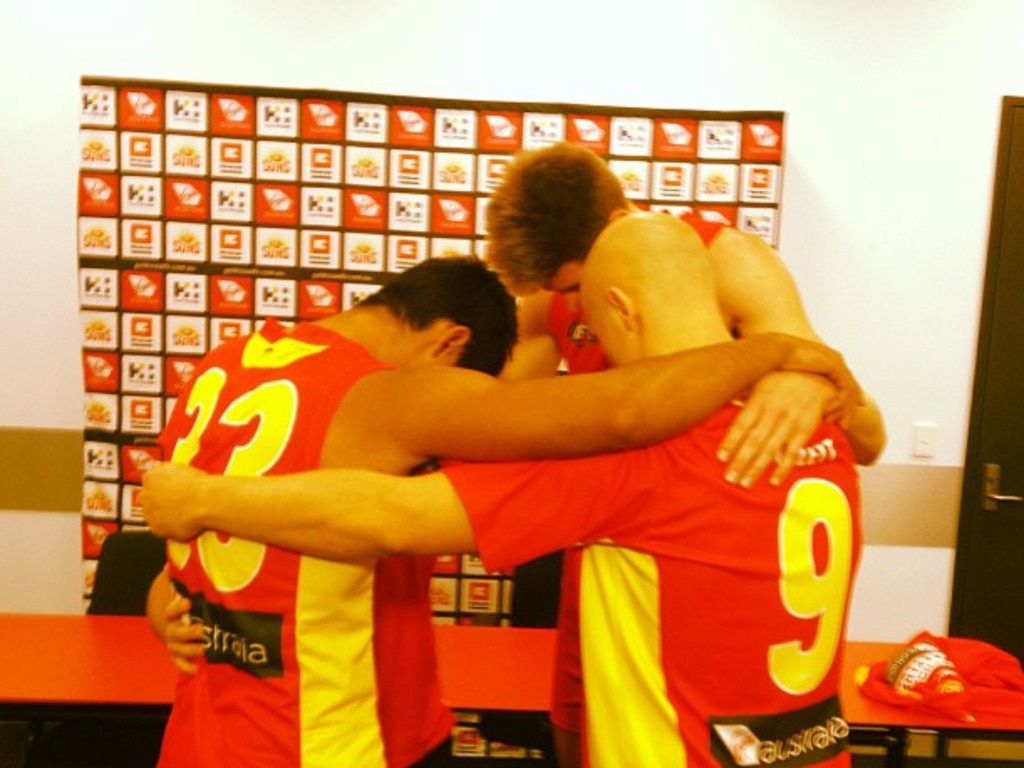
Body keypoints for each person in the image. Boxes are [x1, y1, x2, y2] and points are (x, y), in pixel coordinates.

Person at [141, 213, 863, 768]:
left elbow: (391, 516)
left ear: (621, 308)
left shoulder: (228, 363)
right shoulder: (821, 430)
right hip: (811, 744)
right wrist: (790, 357)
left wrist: (196, 506)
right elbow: (627, 409)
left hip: (236, 724)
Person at [485, 142, 885, 765]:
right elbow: (508, 410)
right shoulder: (552, 296)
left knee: (713, 729)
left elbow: (868, 434)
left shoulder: (731, 262)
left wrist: (799, 374)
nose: (572, 303)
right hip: (609, 523)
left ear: (616, 225)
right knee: (574, 713)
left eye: (573, 285)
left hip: (703, 534)